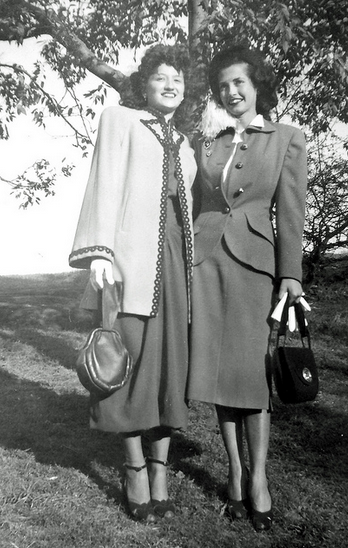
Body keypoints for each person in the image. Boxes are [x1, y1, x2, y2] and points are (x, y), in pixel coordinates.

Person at [69, 44, 196, 522]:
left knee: (170, 370)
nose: (169, 85)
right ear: (144, 84)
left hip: (178, 271)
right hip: (131, 263)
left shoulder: (186, 143)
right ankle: (134, 466)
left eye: (178, 80)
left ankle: (160, 468)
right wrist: (101, 253)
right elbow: (103, 182)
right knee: (126, 362)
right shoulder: (118, 119)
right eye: (160, 77)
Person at [187, 44, 307, 532]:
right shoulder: (208, 141)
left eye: (239, 82)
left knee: (250, 377)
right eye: (222, 86)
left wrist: (291, 275)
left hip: (256, 267)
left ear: (257, 85)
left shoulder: (288, 139)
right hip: (207, 262)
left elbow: (292, 211)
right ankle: (234, 474)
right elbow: (194, 201)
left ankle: (259, 479)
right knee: (218, 374)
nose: (230, 92)